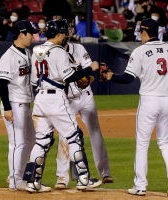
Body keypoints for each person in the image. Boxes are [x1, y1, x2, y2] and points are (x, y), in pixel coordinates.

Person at [102, 18, 168, 197]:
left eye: (140, 32)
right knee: (164, 141)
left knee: (143, 143)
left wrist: (110, 76)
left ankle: (140, 186)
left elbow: (128, 78)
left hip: (149, 100)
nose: (140, 35)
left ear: (145, 32)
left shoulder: (140, 51)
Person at [23, 19, 99, 193]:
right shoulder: (59, 52)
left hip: (40, 99)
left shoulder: (36, 50)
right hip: (56, 98)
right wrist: (90, 69)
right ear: (58, 34)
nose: (65, 36)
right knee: (74, 136)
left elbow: (34, 80)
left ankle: (32, 181)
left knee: (41, 141)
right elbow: (69, 77)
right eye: (64, 33)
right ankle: (83, 179)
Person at [54, 41, 113, 189]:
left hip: (86, 96)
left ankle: (105, 172)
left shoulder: (78, 48)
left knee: (95, 132)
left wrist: (89, 79)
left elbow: (90, 70)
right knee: (64, 135)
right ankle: (62, 177)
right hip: (67, 99)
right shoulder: (54, 53)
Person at [0, 20, 39, 191]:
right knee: (17, 142)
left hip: (25, 103)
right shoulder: (9, 56)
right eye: (31, 33)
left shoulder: (29, 54)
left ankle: (17, 175)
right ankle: (15, 180)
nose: (33, 36)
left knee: (30, 140)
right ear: (21, 34)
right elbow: (2, 83)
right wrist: (7, 108)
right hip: (14, 104)